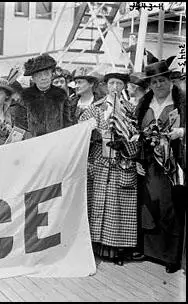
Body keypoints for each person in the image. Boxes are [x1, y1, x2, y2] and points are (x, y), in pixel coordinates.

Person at [78, 68, 139, 266]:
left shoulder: (130, 109)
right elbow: (80, 129)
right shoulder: (96, 107)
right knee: (98, 203)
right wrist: (94, 133)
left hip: (121, 162)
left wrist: (126, 143)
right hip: (100, 161)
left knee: (117, 205)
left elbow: (138, 136)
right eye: (111, 83)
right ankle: (97, 246)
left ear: (124, 87)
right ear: (105, 86)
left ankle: (117, 249)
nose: (115, 87)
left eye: (119, 84)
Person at [135, 59, 186, 273]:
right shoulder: (144, 104)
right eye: (154, 82)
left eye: (162, 80)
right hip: (149, 162)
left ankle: (171, 256)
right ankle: (149, 250)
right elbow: (135, 133)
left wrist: (181, 132)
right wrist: (138, 159)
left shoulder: (181, 102)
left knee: (170, 207)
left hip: (173, 163)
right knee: (149, 204)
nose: (158, 85)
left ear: (170, 81)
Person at [22, 53, 73, 137]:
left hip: (57, 140)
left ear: (51, 75)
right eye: (39, 75)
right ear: (33, 79)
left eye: (46, 73)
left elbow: (67, 120)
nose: (43, 78)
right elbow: (20, 123)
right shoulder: (25, 95)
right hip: (33, 142)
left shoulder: (61, 94)